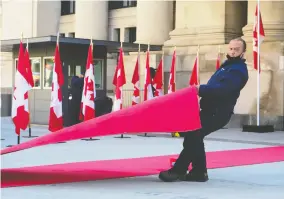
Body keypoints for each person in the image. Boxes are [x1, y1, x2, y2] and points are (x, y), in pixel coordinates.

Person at [159, 37, 249, 182]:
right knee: (193, 135)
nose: (232, 52)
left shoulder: (238, 70)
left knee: (194, 135)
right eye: (231, 49)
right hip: (209, 110)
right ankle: (199, 172)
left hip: (218, 113)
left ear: (243, 52)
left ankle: (178, 170)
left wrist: (201, 89)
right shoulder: (228, 66)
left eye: (236, 50)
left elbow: (223, 90)